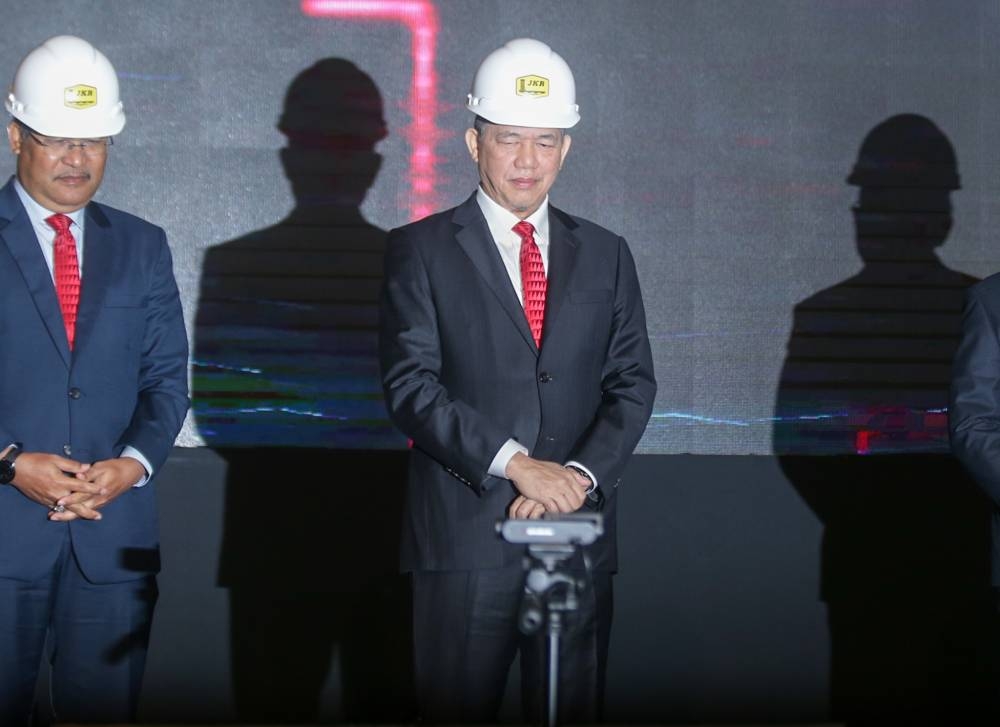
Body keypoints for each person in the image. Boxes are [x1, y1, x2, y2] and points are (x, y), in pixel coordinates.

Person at [379, 37, 656, 723]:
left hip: (577, 537)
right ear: (475, 143)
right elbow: (411, 387)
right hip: (465, 543)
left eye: (545, 141)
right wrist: (519, 466)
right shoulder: (419, 250)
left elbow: (632, 382)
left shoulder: (607, 253)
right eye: (509, 140)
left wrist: (577, 479)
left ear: (566, 148)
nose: (527, 160)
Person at [0, 35, 189, 725]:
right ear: (16, 135)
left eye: (94, 141)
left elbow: (166, 380)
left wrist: (131, 465)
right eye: (57, 139)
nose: (77, 158)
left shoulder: (143, 245)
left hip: (113, 545)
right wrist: (9, 462)